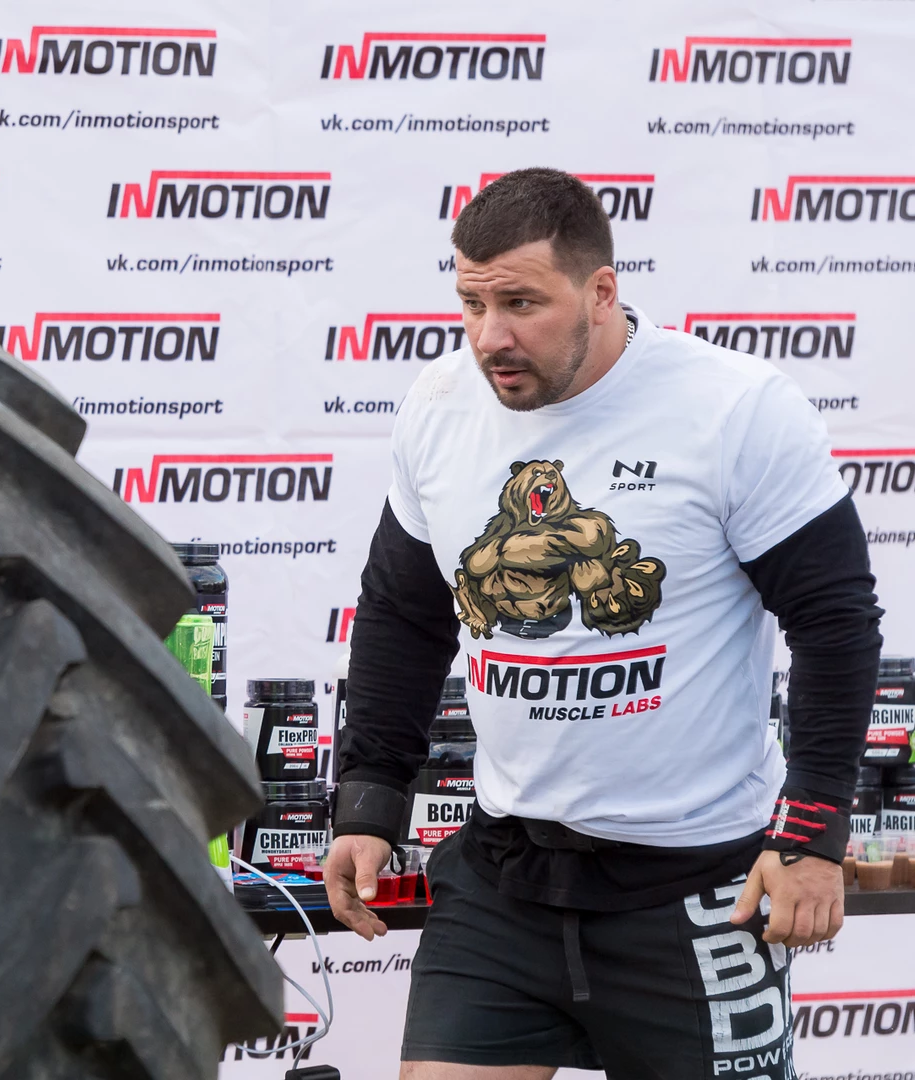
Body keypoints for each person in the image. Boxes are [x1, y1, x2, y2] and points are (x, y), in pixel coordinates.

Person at [326, 167, 881, 1078]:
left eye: (520, 303)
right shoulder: (438, 404)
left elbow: (834, 622)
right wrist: (370, 797)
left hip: (696, 886)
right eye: (470, 304)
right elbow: (403, 612)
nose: (490, 337)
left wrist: (812, 834)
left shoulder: (733, 408)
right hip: (503, 880)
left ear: (600, 291)